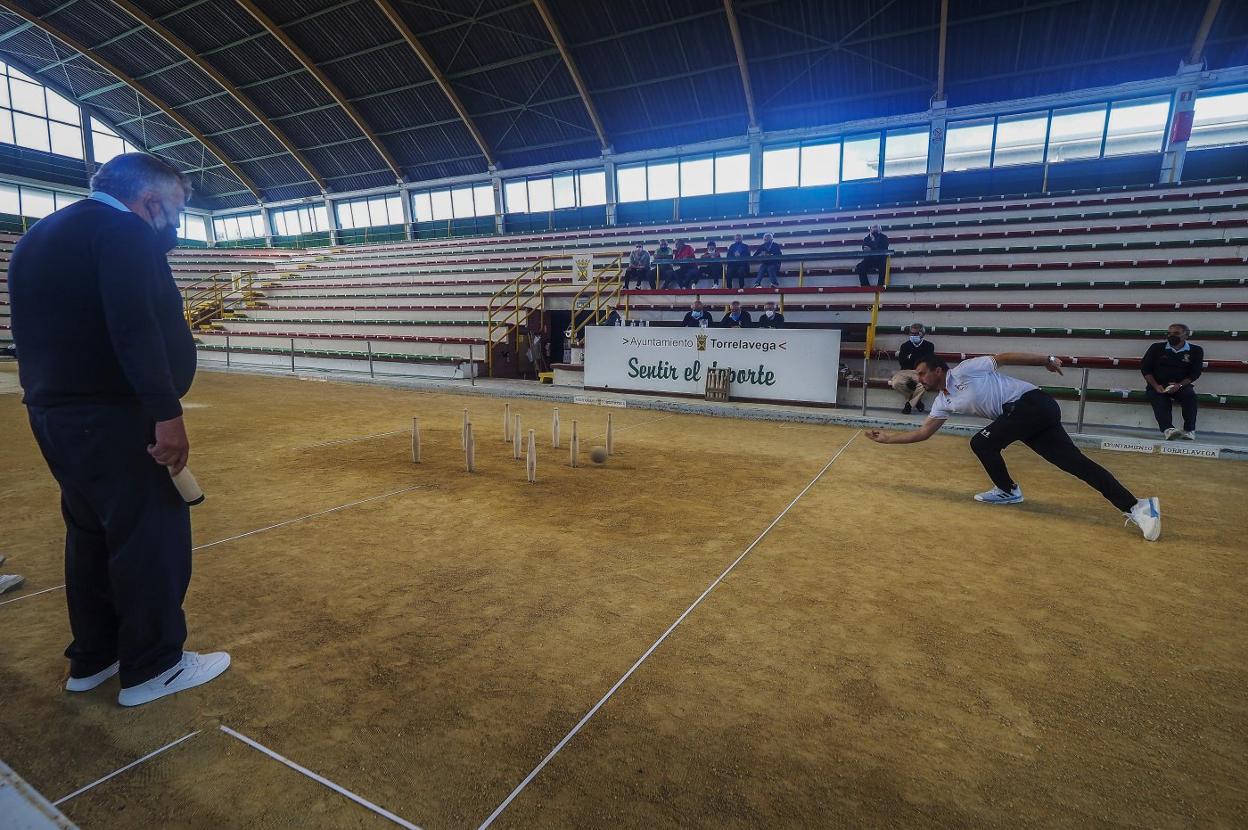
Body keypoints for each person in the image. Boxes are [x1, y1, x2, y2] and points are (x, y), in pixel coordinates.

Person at [8, 153, 231, 707]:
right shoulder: (124, 232)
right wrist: (167, 413)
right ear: (150, 201)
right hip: (116, 415)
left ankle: (94, 657)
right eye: (175, 210)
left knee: (89, 535)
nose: (175, 224)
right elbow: (134, 327)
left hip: (55, 414)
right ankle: (154, 665)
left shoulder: (39, 237)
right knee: (150, 539)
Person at [865, 352, 1161, 541]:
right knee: (1075, 464)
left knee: (981, 443)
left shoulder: (967, 369)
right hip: (1023, 418)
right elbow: (923, 433)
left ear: (940, 370)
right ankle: (1137, 506)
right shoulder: (944, 401)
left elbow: (1004, 357)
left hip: (1033, 404)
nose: (919, 379)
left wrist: (1045, 359)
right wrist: (886, 439)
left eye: (922, 373)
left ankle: (1007, 490)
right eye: (917, 375)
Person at [1142, 324, 1203, 441]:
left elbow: (1195, 373)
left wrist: (1179, 385)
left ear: (1186, 335)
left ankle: (1189, 430)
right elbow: (1146, 369)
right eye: (1169, 333)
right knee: (1158, 398)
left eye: (1176, 334)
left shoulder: (1196, 351)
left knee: (1190, 396)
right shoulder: (1156, 348)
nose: (1171, 336)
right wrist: (1155, 386)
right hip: (1158, 385)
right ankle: (1168, 430)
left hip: (1181, 385)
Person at [892, 323, 934, 414]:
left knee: (924, 385)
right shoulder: (904, 346)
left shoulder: (929, 346)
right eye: (911, 333)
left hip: (921, 372)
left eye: (916, 334)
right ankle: (917, 401)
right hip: (905, 372)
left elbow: (927, 362)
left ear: (922, 334)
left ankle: (909, 405)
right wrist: (917, 358)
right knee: (895, 383)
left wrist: (911, 357)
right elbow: (903, 362)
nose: (913, 335)